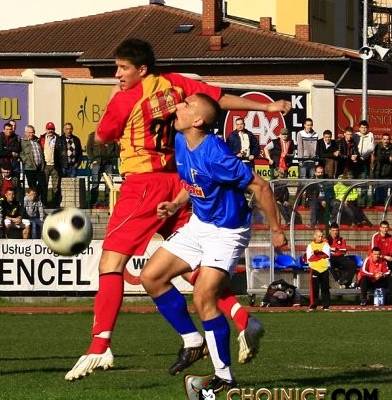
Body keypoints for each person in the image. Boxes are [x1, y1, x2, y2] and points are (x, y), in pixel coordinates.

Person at [65, 38, 291, 381]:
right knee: (182, 270)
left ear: (142, 69)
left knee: (110, 263)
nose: (118, 74)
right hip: (178, 183)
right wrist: (267, 107)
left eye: (123, 68)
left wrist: (110, 107)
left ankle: (100, 346)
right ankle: (239, 321)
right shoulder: (176, 85)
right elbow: (217, 98)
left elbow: (101, 137)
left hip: (144, 184)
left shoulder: (126, 98)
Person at [138, 93, 286, 391]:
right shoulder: (182, 140)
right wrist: (176, 204)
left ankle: (225, 378)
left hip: (227, 232)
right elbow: (192, 181)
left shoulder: (216, 154)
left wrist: (275, 229)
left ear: (198, 120)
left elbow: (260, 186)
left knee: (204, 296)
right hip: (199, 224)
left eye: (186, 105)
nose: (179, 106)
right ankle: (193, 341)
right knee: (151, 277)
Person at [86, 130, 119, 207]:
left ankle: (108, 202)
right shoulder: (93, 135)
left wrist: (113, 159)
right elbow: (88, 148)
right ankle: (93, 202)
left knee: (109, 184)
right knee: (95, 182)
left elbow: (117, 148)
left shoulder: (112, 135)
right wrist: (93, 159)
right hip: (97, 162)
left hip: (109, 163)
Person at [326, 223, 358, 288]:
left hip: (340, 258)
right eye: (333, 230)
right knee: (328, 264)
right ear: (330, 231)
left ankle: (346, 282)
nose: (335, 232)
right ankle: (339, 280)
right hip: (331, 257)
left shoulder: (342, 240)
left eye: (336, 230)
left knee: (353, 265)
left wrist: (334, 249)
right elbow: (326, 249)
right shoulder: (326, 239)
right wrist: (334, 249)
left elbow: (344, 250)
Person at [306, 229, 331, 311]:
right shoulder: (310, 246)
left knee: (325, 288)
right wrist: (319, 254)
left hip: (324, 268)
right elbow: (310, 258)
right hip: (315, 269)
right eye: (319, 236)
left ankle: (326, 305)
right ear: (315, 236)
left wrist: (317, 254)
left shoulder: (326, 245)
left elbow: (326, 255)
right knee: (314, 288)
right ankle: (313, 305)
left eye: (321, 236)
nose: (320, 238)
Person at [20, 125, 46, 198]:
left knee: (43, 186)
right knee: (32, 187)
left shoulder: (37, 141)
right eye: (29, 132)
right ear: (25, 133)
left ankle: (43, 202)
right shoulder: (22, 142)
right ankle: (33, 201)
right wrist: (26, 161)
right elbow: (21, 153)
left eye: (33, 132)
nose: (31, 134)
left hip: (39, 168)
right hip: (30, 168)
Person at [39, 122, 61, 207]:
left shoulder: (58, 139)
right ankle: (44, 203)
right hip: (45, 166)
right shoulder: (41, 139)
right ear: (46, 130)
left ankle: (55, 204)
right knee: (44, 185)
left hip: (55, 165)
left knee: (56, 186)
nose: (50, 131)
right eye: (49, 129)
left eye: (52, 129)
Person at [371, 133, 392, 206]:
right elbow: (379, 158)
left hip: (389, 172)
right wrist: (388, 157)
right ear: (382, 139)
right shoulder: (378, 146)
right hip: (379, 172)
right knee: (378, 189)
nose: (386, 141)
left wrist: (385, 157)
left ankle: (384, 204)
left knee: (386, 190)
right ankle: (377, 204)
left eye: (387, 139)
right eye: (384, 139)